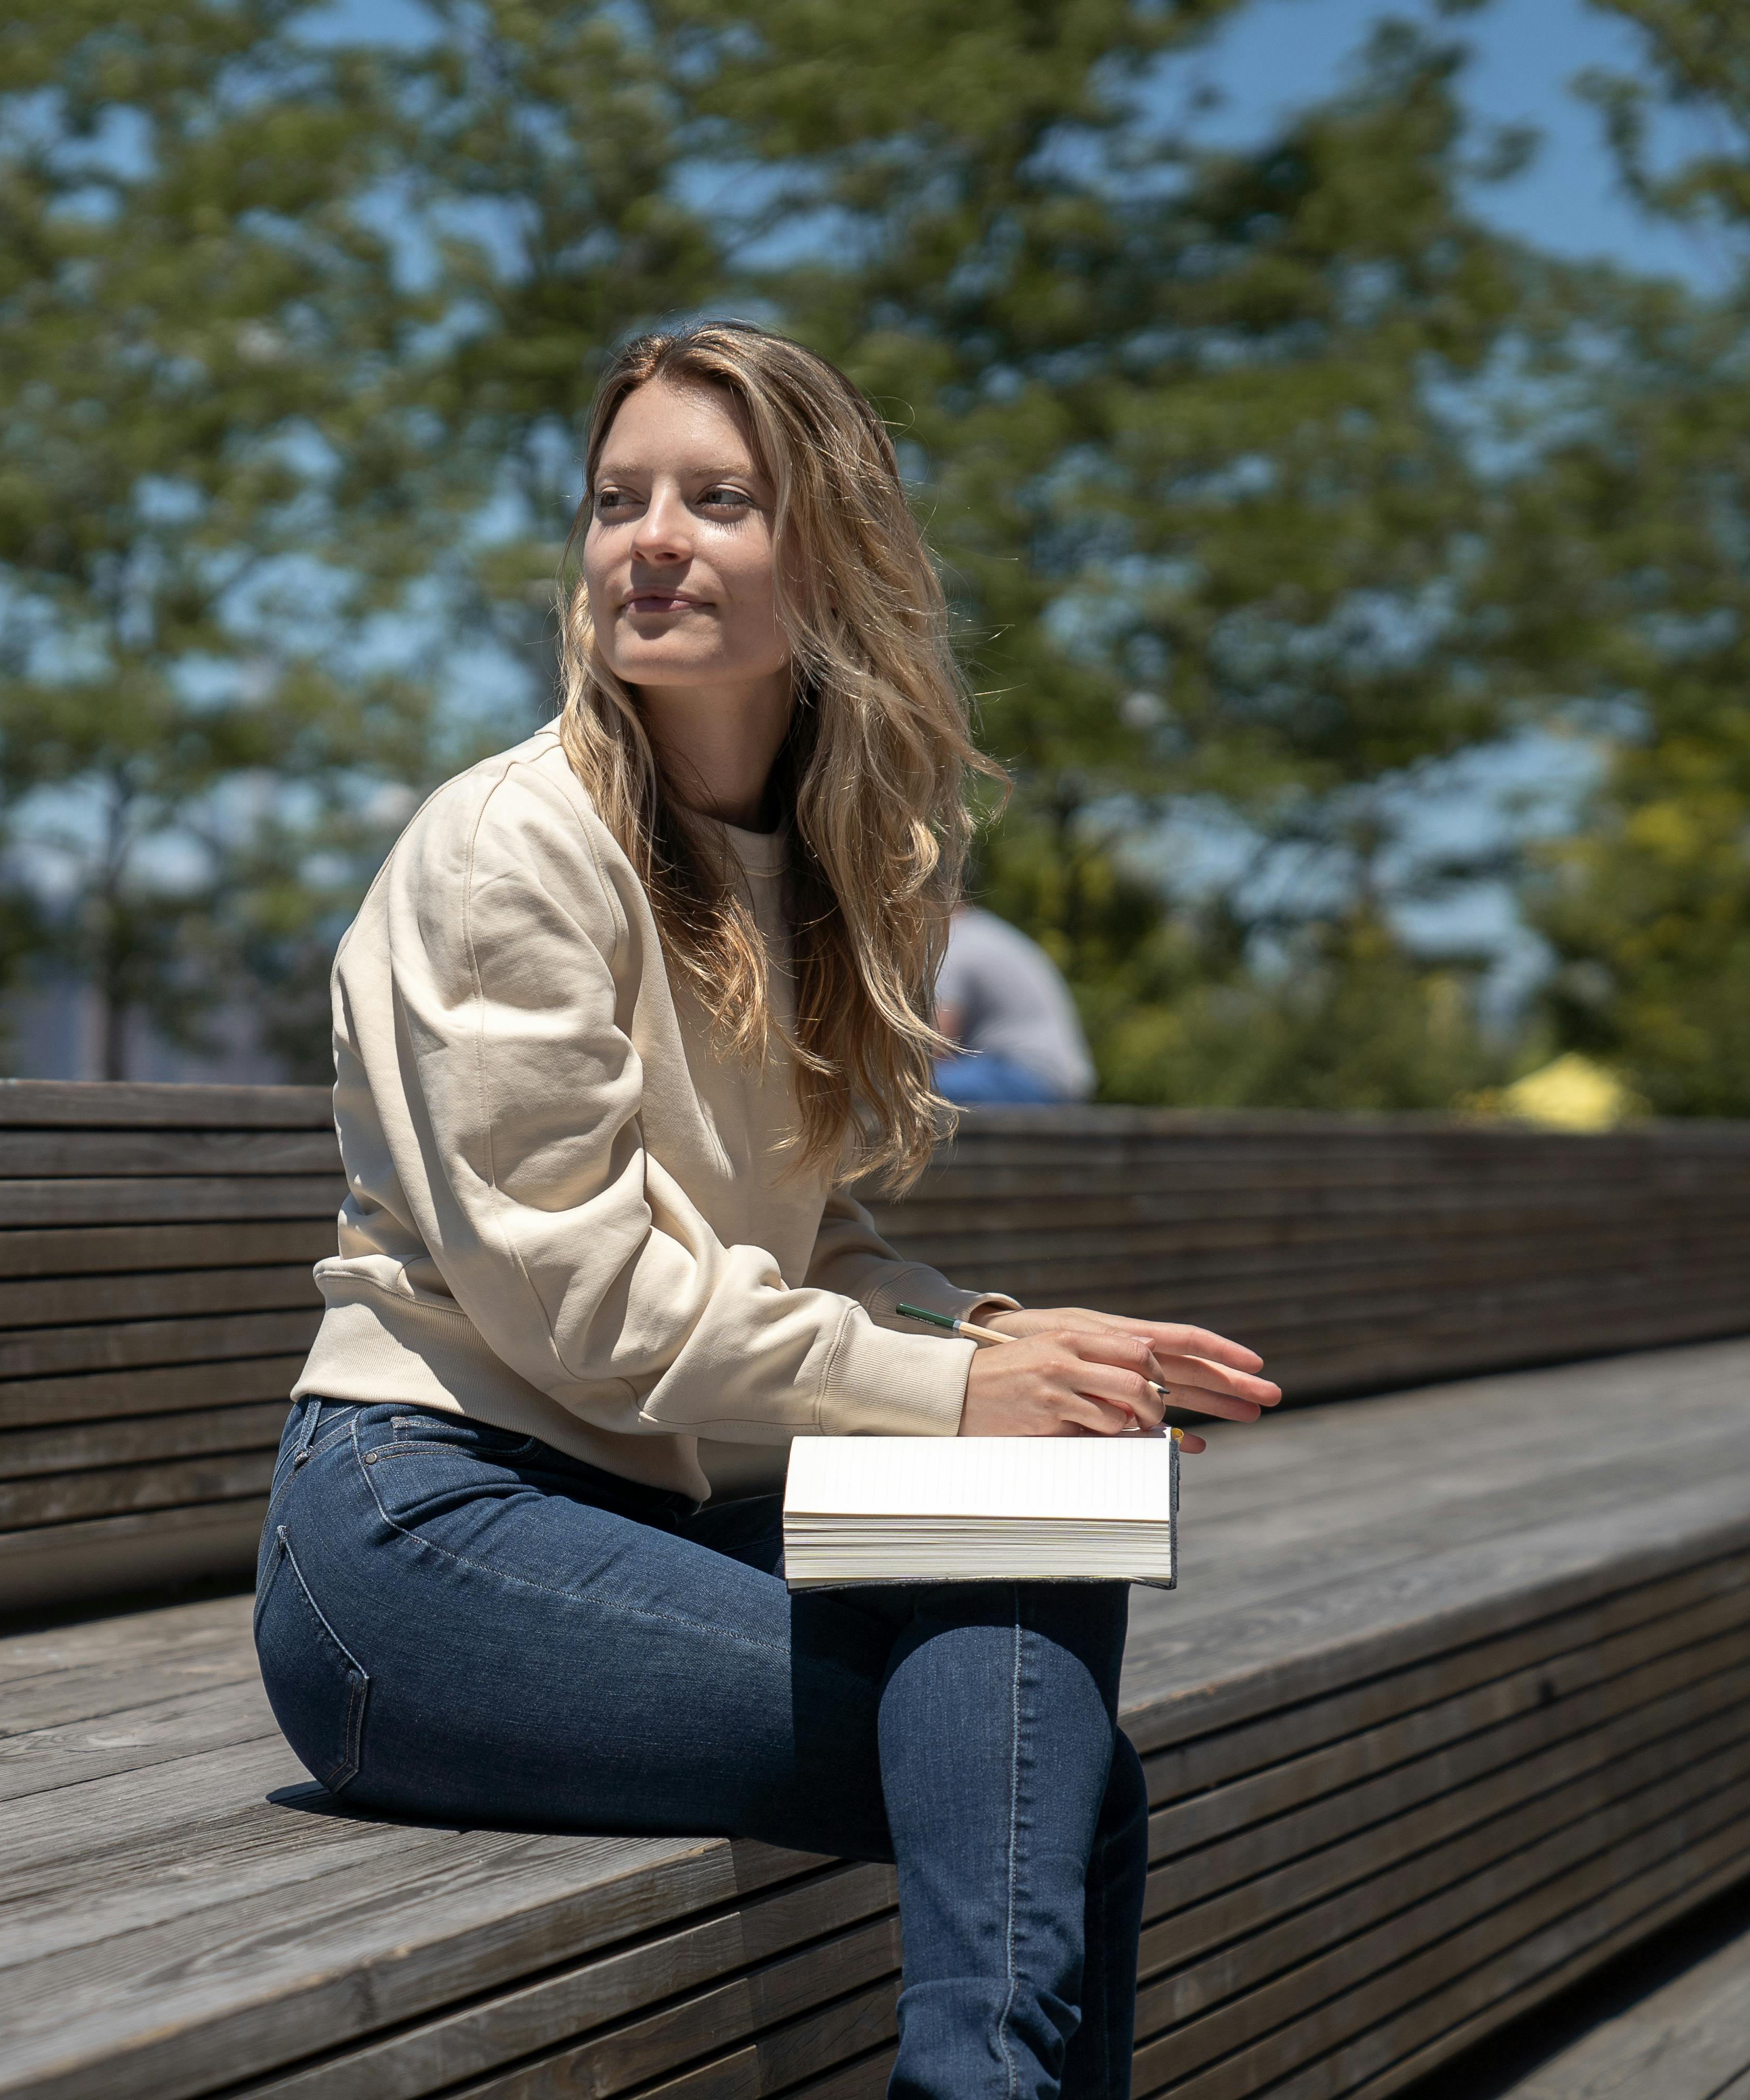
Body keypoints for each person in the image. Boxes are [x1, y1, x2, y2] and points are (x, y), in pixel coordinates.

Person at [252, 321, 1281, 2100]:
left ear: (827, 558)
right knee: (1057, 1778)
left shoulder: (827, 863)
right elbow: (577, 1306)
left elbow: (801, 1245)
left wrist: (988, 1347)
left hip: (673, 1503)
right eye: (616, 500)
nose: (648, 538)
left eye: (717, 500)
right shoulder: (510, 850)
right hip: (421, 1549)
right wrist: (953, 1396)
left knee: (1037, 1529)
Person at [934, 900, 1095, 1104]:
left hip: (1027, 1075)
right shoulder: (986, 932)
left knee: (908, 1090)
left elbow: (936, 1045)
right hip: (1056, 1077)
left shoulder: (956, 942)